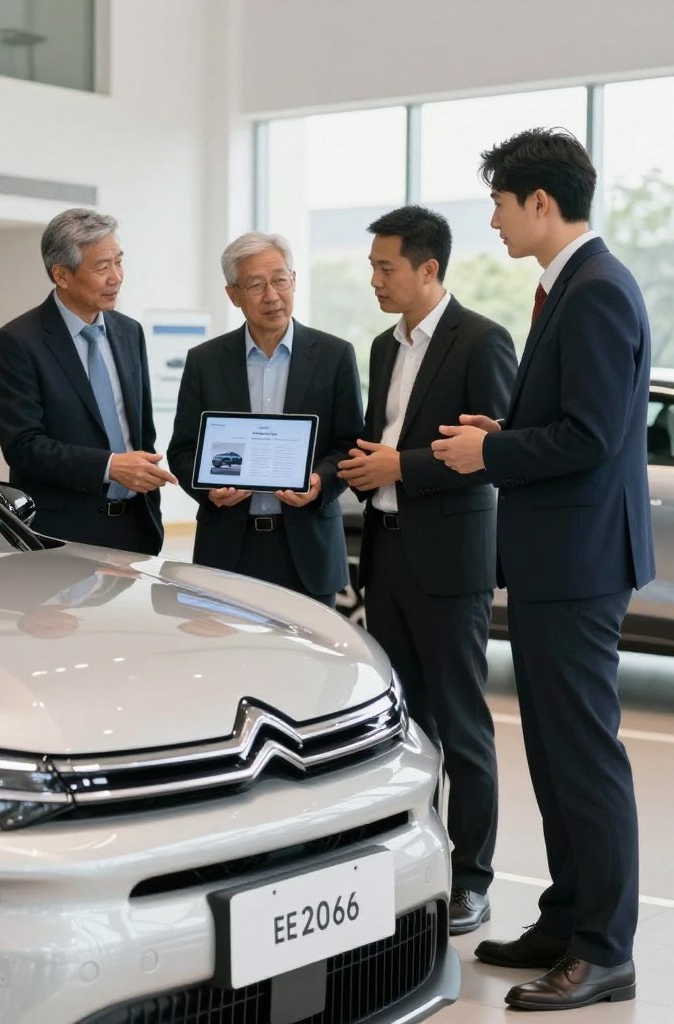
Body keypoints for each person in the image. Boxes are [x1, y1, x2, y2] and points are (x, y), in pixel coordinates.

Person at [432, 128, 654, 1011]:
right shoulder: (573, 286)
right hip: (559, 556)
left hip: (579, 560)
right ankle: (567, 920)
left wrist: (490, 452)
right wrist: (504, 438)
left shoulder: (596, 290)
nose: (490, 220)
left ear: (537, 202)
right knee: (559, 756)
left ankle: (606, 949)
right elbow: (575, 424)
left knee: (585, 758)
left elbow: (592, 437)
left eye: (498, 203)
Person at [337, 205, 517, 936]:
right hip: (387, 553)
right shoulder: (384, 347)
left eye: (386, 267)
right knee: (407, 729)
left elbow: (492, 460)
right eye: (373, 266)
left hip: (450, 562)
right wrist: (360, 470)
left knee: (464, 730)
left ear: (429, 268)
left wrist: (397, 467)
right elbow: (385, 436)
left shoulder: (483, 341)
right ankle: (417, 867)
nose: (374, 279)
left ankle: (471, 879)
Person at [167, 232, 363, 604]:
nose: (271, 295)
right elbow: (182, 451)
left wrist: (320, 482)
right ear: (233, 294)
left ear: (294, 280)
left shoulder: (334, 355)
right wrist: (208, 489)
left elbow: (350, 443)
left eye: (279, 280)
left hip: (307, 548)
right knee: (231, 661)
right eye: (256, 284)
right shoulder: (205, 361)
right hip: (229, 548)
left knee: (311, 662)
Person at [0, 208, 175, 555]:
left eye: (119, 262)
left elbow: (140, 431)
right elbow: (24, 446)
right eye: (102, 268)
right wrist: (109, 467)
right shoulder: (17, 342)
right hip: (63, 534)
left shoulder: (128, 332)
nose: (116, 277)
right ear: (62, 275)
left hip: (137, 528)